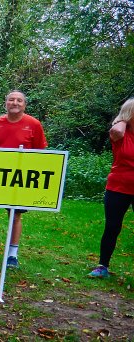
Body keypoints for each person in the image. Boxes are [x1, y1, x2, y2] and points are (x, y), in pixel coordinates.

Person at [0, 91, 47, 269]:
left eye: (19, 100)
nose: (14, 102)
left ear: (24, 105)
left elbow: (41, 152)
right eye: (11, 99)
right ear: (5, 103)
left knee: (14, 215)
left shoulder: (34, 124)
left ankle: (12, 255)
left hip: (21, 177)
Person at [90, 99, 134, 278]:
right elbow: (116, 129)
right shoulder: (120, 134)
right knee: (113, 226)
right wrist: (124, 119)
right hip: (119, 186)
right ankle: (103, 266)